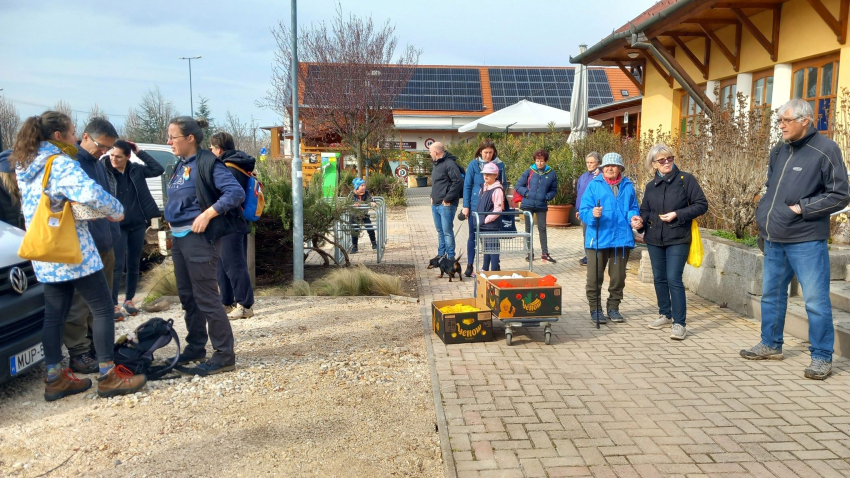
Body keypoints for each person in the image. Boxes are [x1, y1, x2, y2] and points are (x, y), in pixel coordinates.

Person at [11, 111, 146, 401]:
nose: (75, 136)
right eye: (73, 132)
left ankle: (54, 378)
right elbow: (92, 193)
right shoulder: (59, 163)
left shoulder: (25, 163)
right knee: (102, 308)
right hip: (73, 251)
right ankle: (109, 376)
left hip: (45, 250)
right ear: (58, 136)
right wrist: (117, 210)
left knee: (54, 315)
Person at [741, 99, 850, 380]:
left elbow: (840, 194)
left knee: (815, 300)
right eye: (779, 121)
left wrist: (801, 208)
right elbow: (771, 187)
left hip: (806, 240)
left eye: (786, 121)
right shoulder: (779, 150)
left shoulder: (826, 150)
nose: (781, 125)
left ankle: (822, 357)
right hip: (774, 237)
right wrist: (764, 215)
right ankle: (771, 344)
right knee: (772, 296)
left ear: (806, 120)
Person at [165, 116, 245, 375]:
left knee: (207, 298)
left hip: (199, 239)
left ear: (190, 138)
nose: (169, 142)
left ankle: (224, 355)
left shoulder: (209, 162)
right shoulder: (180, 165)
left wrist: (207, 214)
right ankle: (196, 346)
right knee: (188, 297)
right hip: (179, 239)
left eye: (173, 137)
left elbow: (235, 193)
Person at [62, 118, 122, 375]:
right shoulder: (71, 164)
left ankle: (98, 347)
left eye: (108, 148)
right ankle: (78, 352)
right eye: (101, 146)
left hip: (104, 241)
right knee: (79, 302)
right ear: (84, 137)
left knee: (102, 302)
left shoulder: (97, 164)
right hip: (81, 245)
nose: (104, 152)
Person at [638, 144, 707, 340]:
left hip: (678, 237)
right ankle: (665, 314)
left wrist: (678, 214)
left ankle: (679, 323)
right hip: (654, 238)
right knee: (659, 277)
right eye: (662, 160)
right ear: (654, 165)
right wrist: (640, 221)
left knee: (673, 278)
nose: (667, 162)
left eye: (670, 158)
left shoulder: (686, 180)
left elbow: (701, 204)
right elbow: (645, 210)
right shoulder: (650, 186)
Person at [103, 139, 165, 321]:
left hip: (137, 222)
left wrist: (139, 151)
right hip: (116, 224)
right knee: (117, 264)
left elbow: (158, 169)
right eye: (112, 155)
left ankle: (128, 301)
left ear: (127, 157)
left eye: (118, 156)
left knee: (133, 264)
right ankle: (113, 303)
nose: (114, 159)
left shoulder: (135, 170)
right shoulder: (104, 170)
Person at [579, 152, 642, 324]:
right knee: (594, 278)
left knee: (618, 278)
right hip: (598, 238)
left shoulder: (628, 186)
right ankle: (595, 309)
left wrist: (634, 218)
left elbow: (633, 208)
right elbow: (583, 211)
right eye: (606, 166)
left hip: (621, 239)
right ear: (602, 168)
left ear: (620, 168)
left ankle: (613, 307)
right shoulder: (594, 185)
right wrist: (592, 214)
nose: (610, 169)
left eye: (613, 166)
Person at [209, 132, 255, 320]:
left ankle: (245, 305)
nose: (211, 152)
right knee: (223, 265)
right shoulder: (238, 166)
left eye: (211, 148)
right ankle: (226, 302)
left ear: (219, 149)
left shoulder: (228, 169)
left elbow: (227, 196)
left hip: (230, 223)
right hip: (231, 223)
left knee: (234, 265)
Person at [461, 140, 505, 276]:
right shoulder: (474, 164)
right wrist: (465, 206)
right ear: (480, 151)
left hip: (491, 208)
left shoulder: (500, 164)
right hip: (475, 205)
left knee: (490, 238)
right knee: (472, 236)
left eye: (491, 152)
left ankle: (492, 266)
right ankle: (469, 265)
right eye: (485, 152)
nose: (488, 155)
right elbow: (467, 186)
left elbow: (504, 183)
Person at [515, 149, 558, 264]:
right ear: (535, 161)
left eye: (542, 161)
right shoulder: (529, 171)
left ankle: (545, 253)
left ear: (546, 161)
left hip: (541, 204)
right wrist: (527, 193)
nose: (539, 163)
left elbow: (554, 190)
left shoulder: (551, 173)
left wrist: (547, 197)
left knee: (542, 228)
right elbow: (518, 186)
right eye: (538, 161)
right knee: (528, 229)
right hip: (527, 204)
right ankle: (530, 252)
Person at [429, 142, 463, 259]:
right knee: (440, 231)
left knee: (447, 231)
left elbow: (458, 181)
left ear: (436, 152)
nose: (430, 154)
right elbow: (437, 183)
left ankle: (451, 257)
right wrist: (431, 196)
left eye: (430, 152)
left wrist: (448, 198)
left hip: (446, 205)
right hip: (435, 204)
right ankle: (441, 254)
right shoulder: (436, 164)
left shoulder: (449, 164)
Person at [475, 162, 505, 271]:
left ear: (495, 175)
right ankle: (485, 268)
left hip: (491, 225)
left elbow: (498, 210)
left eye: (489, 174)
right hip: (483, 225)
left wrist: (486, 220)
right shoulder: (483, 188)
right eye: (484, 174)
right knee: (486, 248)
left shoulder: (497, 190)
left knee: (493, 249)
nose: (486, 176)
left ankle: (494, 270)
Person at [576, 152, 601, 266]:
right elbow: (579, 193)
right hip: (584, 211)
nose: (589, 165)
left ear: (598, 163)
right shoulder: (583, 176)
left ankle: (595, 256)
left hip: (595, 211)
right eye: (587, 163)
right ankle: (588, 255)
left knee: (594, 233)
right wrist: (578, 209)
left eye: (592, 162)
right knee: (585, 234)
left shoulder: (600, 176)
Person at [348, 177, 377, 253]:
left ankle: (374, 244)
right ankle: (354, 247)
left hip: (364, 215)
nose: (364, 187)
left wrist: (372, 202)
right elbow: (347, 202)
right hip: (354, 215)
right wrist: (354, 204)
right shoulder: (352, 194)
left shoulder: (366, 193)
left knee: (370, 229)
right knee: (355, 231)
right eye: (362, 186)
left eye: (364, 185)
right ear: (357, 187)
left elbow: (372, 199)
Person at [0, 148, 24, 228]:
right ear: (7, 173)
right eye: (17, 172)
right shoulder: (3, 193)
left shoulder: (19, 189)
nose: (21, 175)